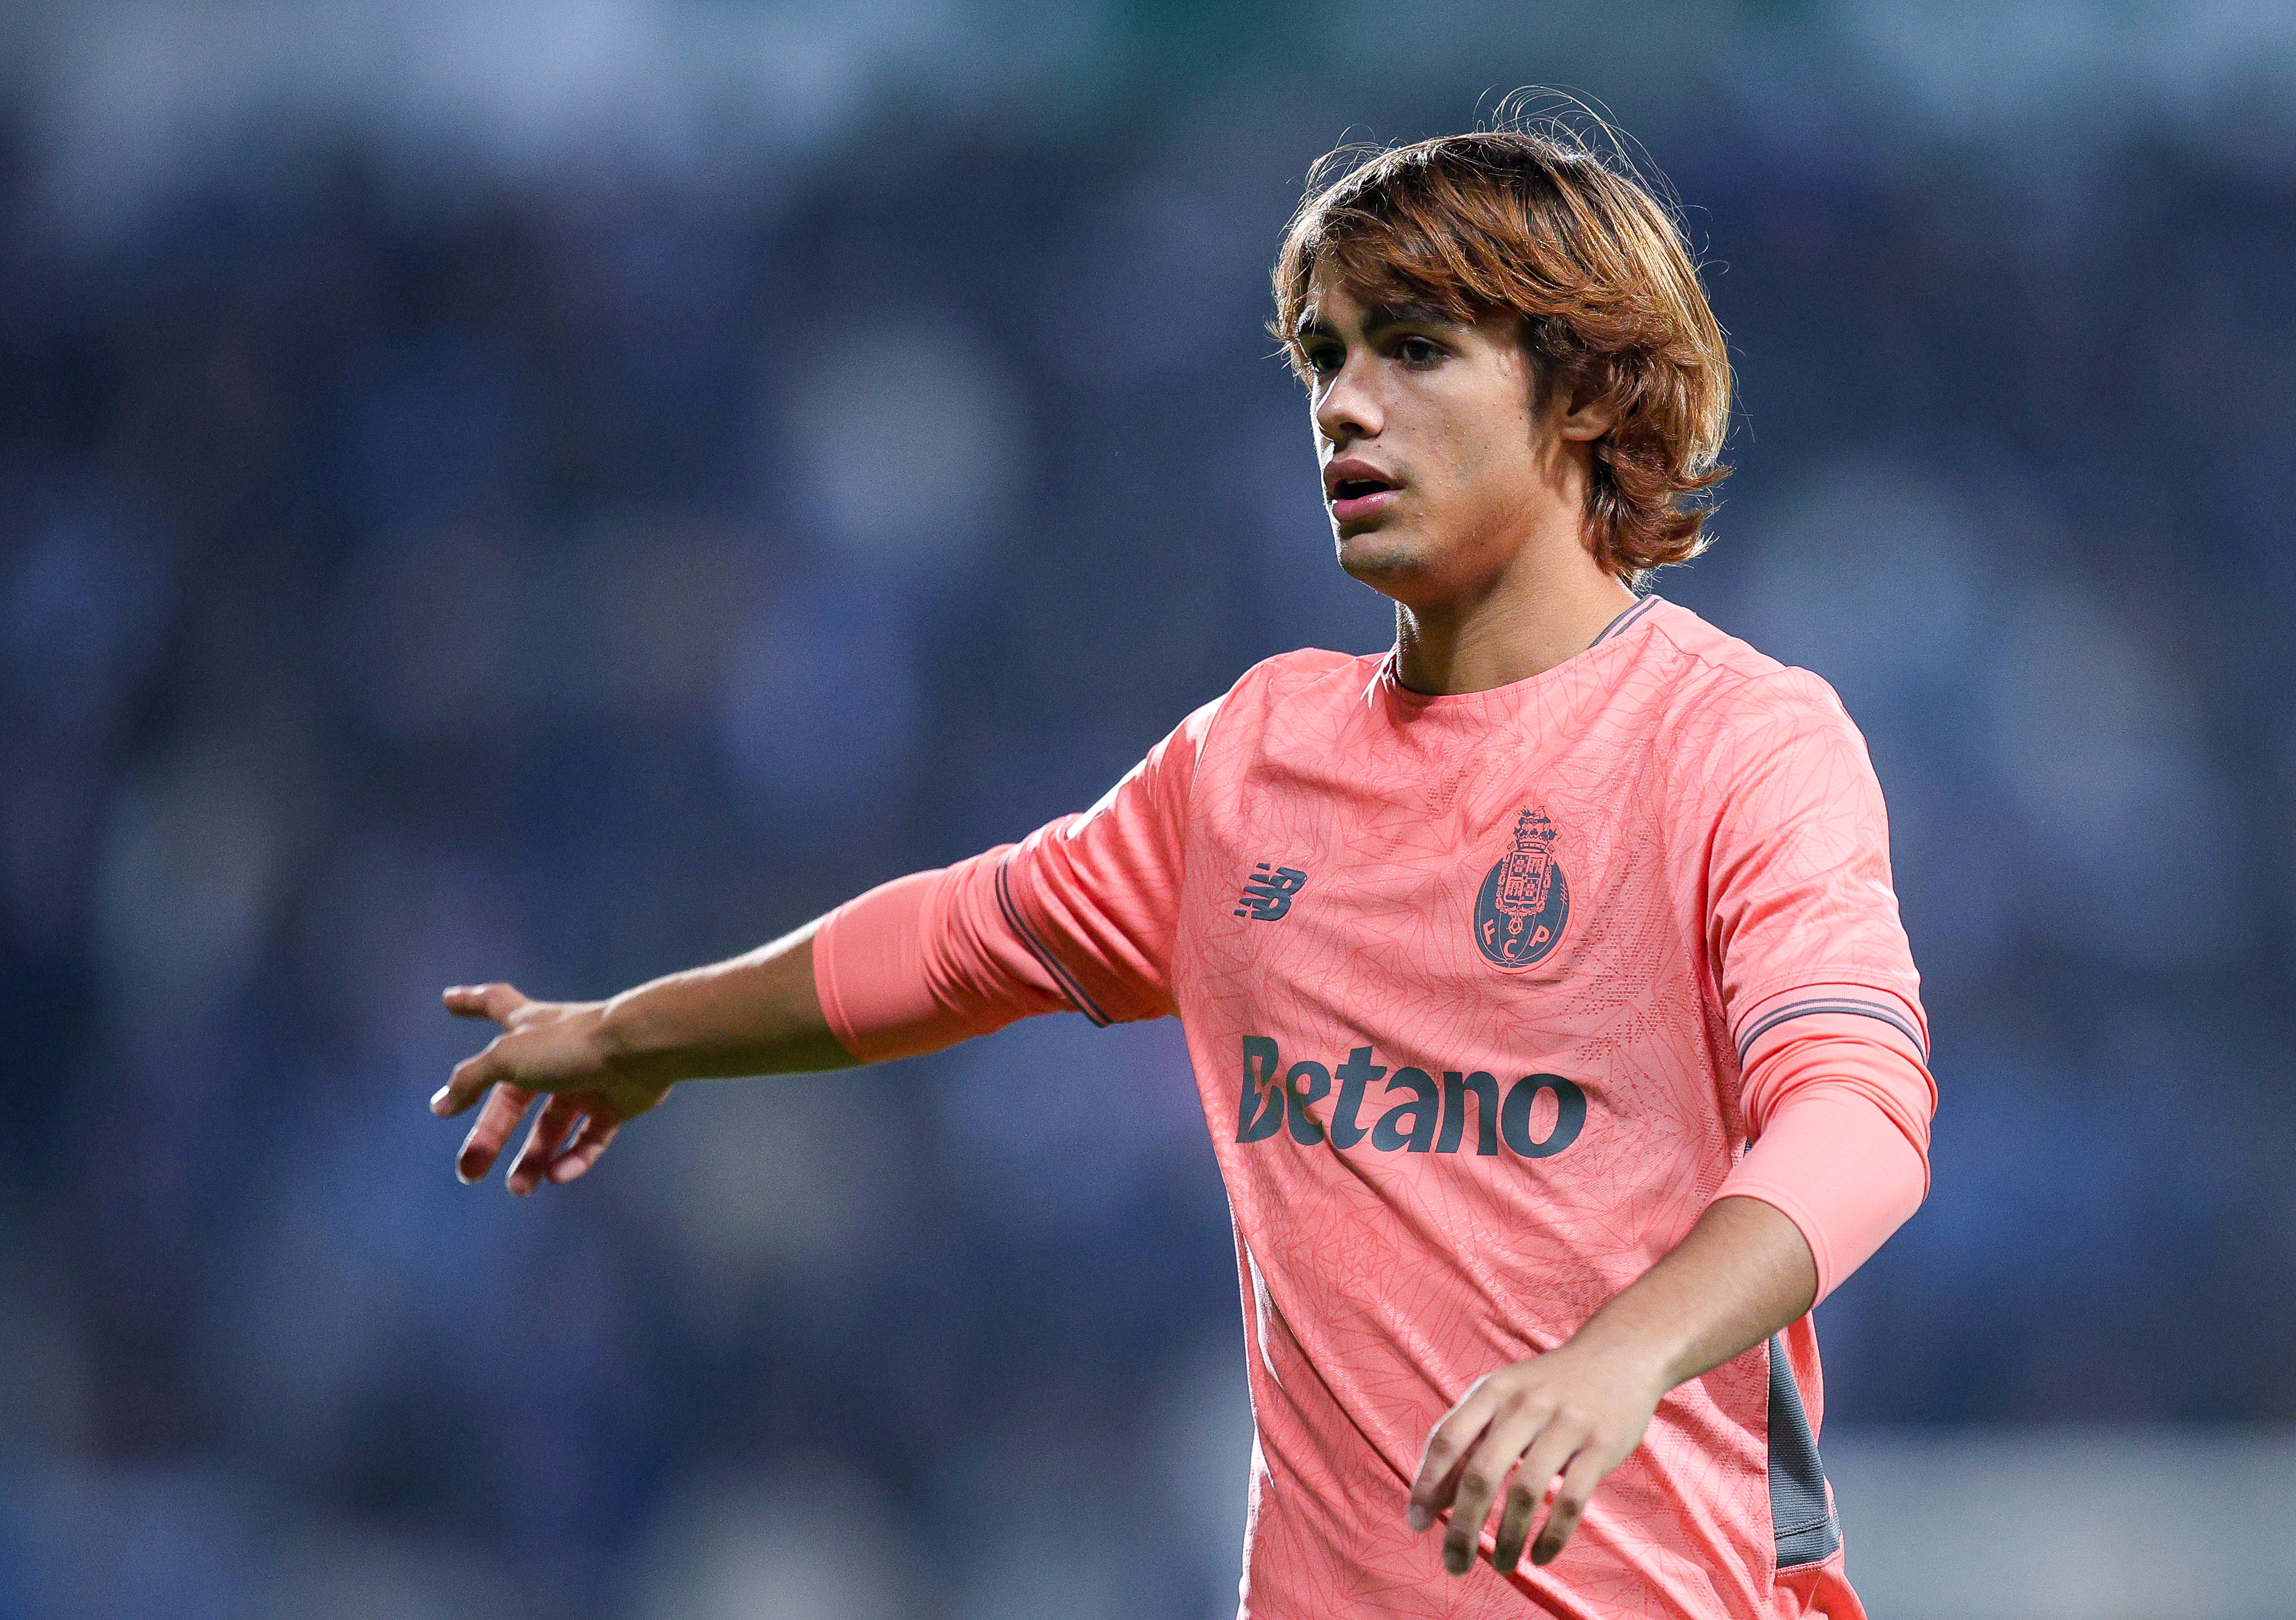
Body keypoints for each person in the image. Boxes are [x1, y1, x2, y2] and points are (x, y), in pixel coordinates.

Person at [430, 122, 1934, 1620]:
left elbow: (1859, 1122)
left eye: (1413, 350)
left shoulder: (1736, 741)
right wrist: (633, 1040)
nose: (1344, 407)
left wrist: (1624, 1351)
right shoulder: (1252, 759)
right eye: (1323, 355)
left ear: (1584, 391)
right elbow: (951, 943)